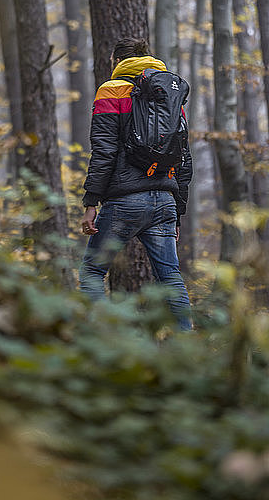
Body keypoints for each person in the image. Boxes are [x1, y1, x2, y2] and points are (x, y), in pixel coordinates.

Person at [78, 37, 193, 331]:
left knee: (92, 272)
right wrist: (177, 211)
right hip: (166, 199)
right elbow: (183, 155)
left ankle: (110, 338)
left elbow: (104, 150)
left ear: (117, 61)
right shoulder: (169, 93)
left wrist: (91, 202)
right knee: (170, 278)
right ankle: (188, 347)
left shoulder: (111, 90)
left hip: (125, 202)